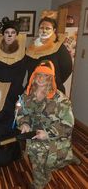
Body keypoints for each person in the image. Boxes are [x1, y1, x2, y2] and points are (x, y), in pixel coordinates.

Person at [16, 60, 80, 189]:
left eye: (45, 75)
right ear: (34, 75)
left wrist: (48, 134)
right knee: (35, 148)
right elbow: (21, 112)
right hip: (35, 133)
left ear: (51, 78)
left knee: (39, 150)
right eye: (39, 74)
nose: (41, 78)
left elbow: (68, 124)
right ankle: (41, 179)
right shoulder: (27, 94)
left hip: (55, 135)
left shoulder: (60, 99)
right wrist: (24, 124)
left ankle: (64, 159)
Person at [26, 10, 73, 94]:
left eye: (48, 28)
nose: (44, 31)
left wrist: (55, 81)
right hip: (33, 90)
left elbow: (67, 68)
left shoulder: (58, 47)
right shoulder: (31, 47)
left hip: (53, 91)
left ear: (54, 30)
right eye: (41, 28)